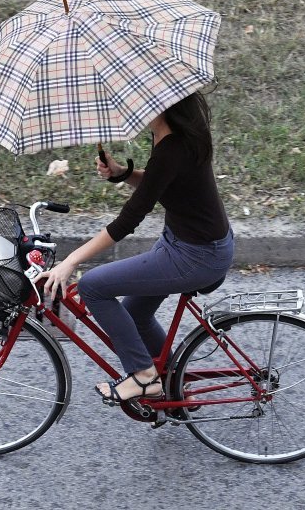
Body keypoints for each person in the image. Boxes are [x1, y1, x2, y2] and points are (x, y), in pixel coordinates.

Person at [37, 91, 234, 404]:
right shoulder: (176, 132)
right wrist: (122, 174)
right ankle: (171, 379)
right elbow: (160, 181)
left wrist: (70, 261)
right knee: (135, 314)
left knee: (93, 286)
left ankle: (143, 377)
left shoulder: (172, 146)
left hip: (195, 256)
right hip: (192, 243)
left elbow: (125, 223)